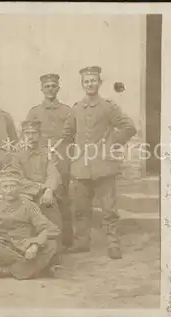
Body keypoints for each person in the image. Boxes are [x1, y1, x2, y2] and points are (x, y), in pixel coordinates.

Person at [62, 66, 137, 259]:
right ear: (82, 84)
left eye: (93, 80)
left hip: (104, 166)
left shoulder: (108, 107)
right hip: (81, 167)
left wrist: (112, 143)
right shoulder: (76, 108)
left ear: (99, 83)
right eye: (86, 81)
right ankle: (81, 242)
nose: (90, 84)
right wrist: (71, 154)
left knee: (109, 209)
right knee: (80, 208)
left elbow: (129, 127)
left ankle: (113, 243)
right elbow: (67, 134)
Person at [0, 164, 60, 280]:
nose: (9, 191)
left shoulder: (29, 205)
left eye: (13, 186)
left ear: (19, 187)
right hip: (7, 248)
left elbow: (52, 229)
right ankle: (36, 268)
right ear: (0, 188)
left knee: (51, 244)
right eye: (5, 187)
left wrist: (35, 244)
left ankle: (6, 271)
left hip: (27, 244)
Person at [26, 73, 73, 248]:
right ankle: (44, 239)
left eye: (54, 86)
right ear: (42, 89)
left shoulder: (67, 111)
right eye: (47, 86)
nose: (50, 89)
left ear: (58, 88)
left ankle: (66, 241)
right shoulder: (34, 112)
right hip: (42, 160)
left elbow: (72, 135)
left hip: (63, 159)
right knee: (43, 198)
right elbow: (28, 137)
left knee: (64, 198)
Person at [14, 120, 63, 250]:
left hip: (44, 193)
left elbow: (53, 173)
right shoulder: (16, 154)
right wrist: (41, 188)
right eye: (27, 133)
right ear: (22, 135)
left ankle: (54, 251)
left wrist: (49, 190)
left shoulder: (47, 152)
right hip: (24, 194)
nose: (31, 136)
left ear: (39, 135)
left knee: (50, 207)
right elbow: (18, 179)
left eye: (34, 133)